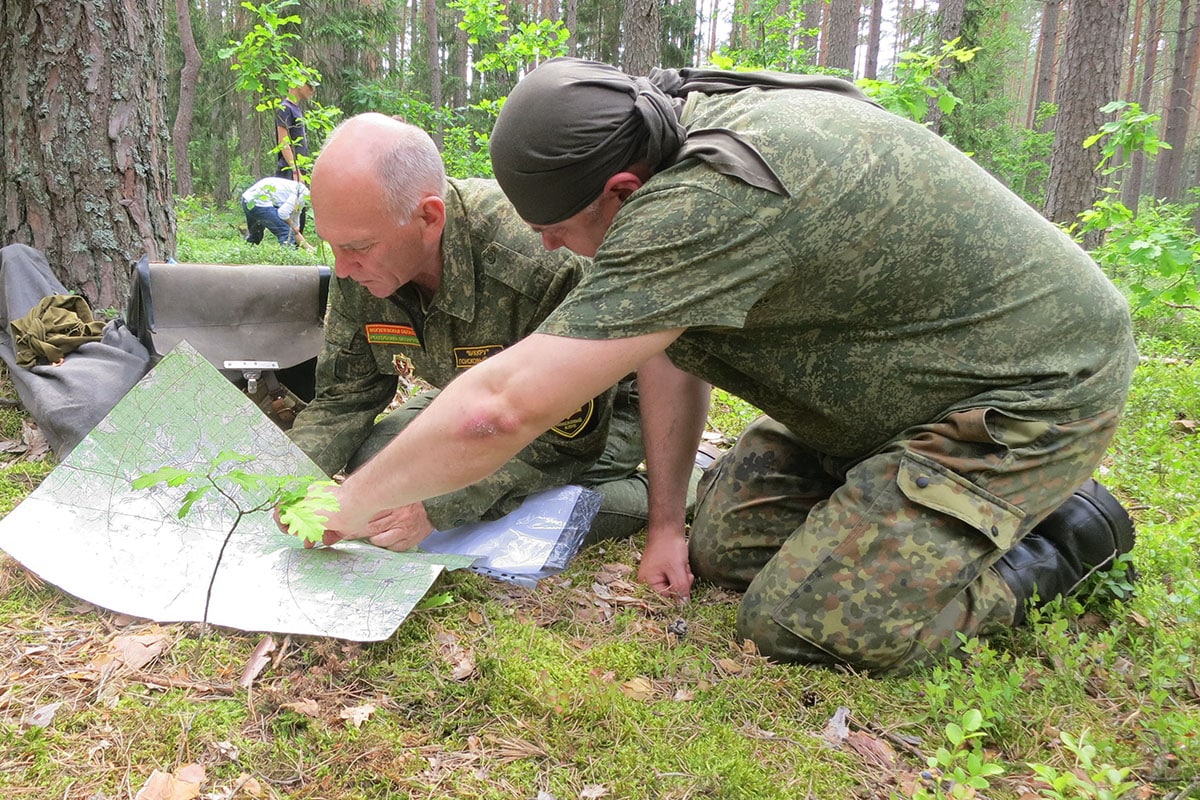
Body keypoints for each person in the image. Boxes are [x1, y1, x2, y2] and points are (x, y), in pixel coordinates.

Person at [279, 60, 1137, 675]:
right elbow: (669, 347)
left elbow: (500, 408)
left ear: (619, 191)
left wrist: (351, 503)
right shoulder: (661, 127)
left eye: (559, 230)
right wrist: (664, 526)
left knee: (802, 624)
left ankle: (1066, 537)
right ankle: (907, 503)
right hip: (888, 393)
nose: (551, 249)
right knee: (724, 548)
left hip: (1027, 390)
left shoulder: (703, 200)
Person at [287, 112, 686, 551]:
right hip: (474, 410)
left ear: (429, 218)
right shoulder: (358, 263)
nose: (343, 268)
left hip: (601, 416)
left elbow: (568, 441)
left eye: (358, 247)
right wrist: (281, 484)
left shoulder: (536, 262)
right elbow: (343, 398)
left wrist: (435, 507)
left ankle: (679, 486)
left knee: (534, 523)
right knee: (374, 461)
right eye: (332, 245)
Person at [241, 176, 309, 246]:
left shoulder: (301, 192)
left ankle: (247, 250)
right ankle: (288, 252)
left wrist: (309, 248)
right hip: (258, 202)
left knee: (256, 235)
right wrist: (293, 226)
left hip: (247, 199)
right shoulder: (301, 194)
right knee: (286, 232)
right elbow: (283, 213)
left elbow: (295, 230)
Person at [276, 81, 314, 183]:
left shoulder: (295, 108)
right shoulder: (285, 108)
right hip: (289, 172)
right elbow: (283, 142)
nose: (312, 91)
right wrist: (295, 171)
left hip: (299, 168)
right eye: (309, 86)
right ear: (298, 84)